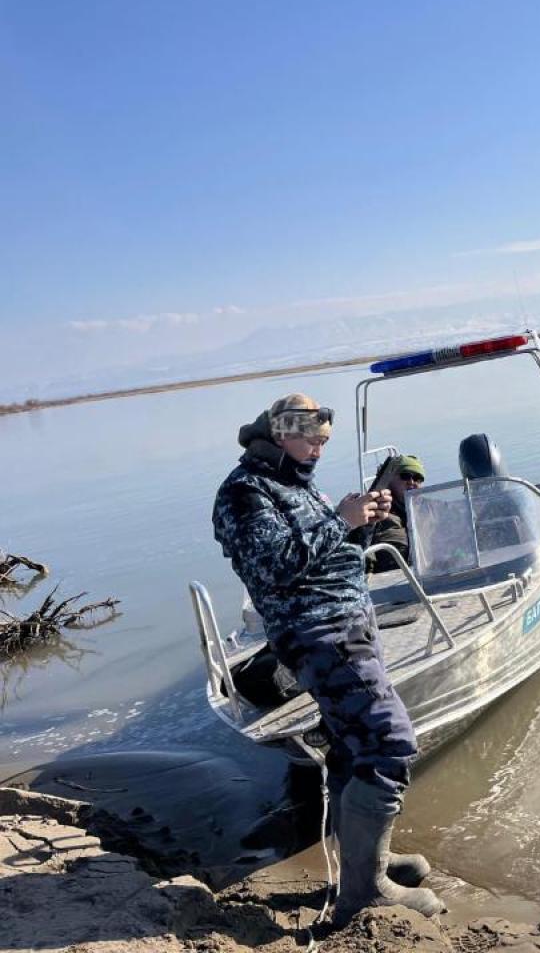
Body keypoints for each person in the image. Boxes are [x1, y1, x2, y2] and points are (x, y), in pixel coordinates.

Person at [212, 393, 444, 924]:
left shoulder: (294, 481)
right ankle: (365, 891)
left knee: (349, 744)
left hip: (347, 625)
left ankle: (369, 863)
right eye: (311, 439)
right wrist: (341, 520)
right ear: (279, 436)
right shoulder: (244, 492)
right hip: (319, 633)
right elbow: (276, 568)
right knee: (389, 742)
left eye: (323, 440)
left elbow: (324, 550)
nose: (319, 448)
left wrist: (361, 521)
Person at [354, 454, 426, 573]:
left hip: (426, 573)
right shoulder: (372, 512)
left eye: (418, 478)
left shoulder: (429, 508)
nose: (411, 482)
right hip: (388, 579)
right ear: (390, 479)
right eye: (405, 476)